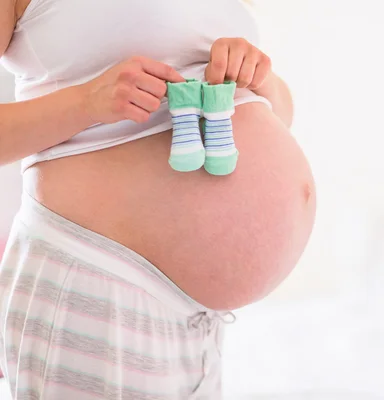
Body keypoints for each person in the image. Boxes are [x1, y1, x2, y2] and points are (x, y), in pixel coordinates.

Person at [0, 0, 317, 398]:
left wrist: (257, 76)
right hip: (99, 277)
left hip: (199, 324)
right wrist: (85, 103)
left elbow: (274, 113)